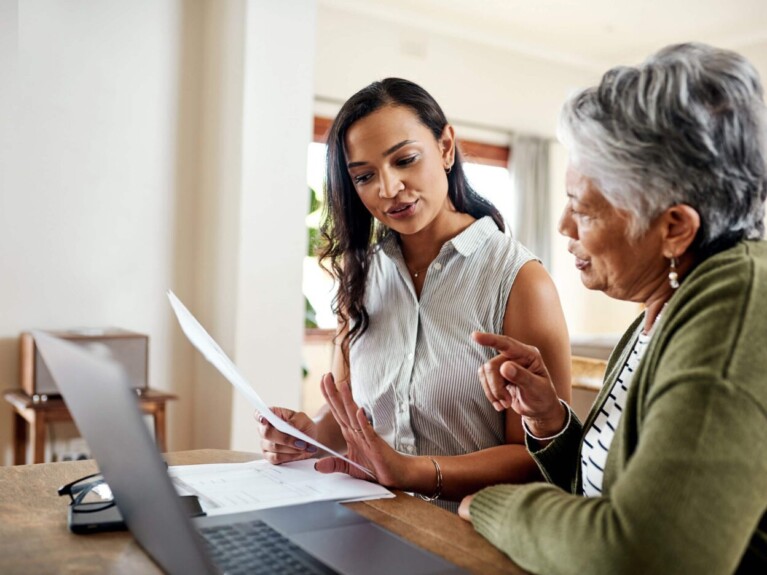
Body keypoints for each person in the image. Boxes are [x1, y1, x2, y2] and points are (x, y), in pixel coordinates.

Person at [458, 42, 767, 574]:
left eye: (582, 207)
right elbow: (604, 494)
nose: (564, 227)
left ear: (673, 228)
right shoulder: (662, 306)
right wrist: (550, 417)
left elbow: (642, 554)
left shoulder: (736, 308)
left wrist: (491, 501)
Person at [258, 78, 571, 511]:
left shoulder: (520, 281)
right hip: (368, 524)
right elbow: (350, 414)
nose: (388, 189)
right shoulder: (361, 275)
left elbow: (540, 459)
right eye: (365, 176)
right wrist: (307, 435)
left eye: (404, 160)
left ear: (445, 148)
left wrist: (412, 470)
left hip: (468, 535)